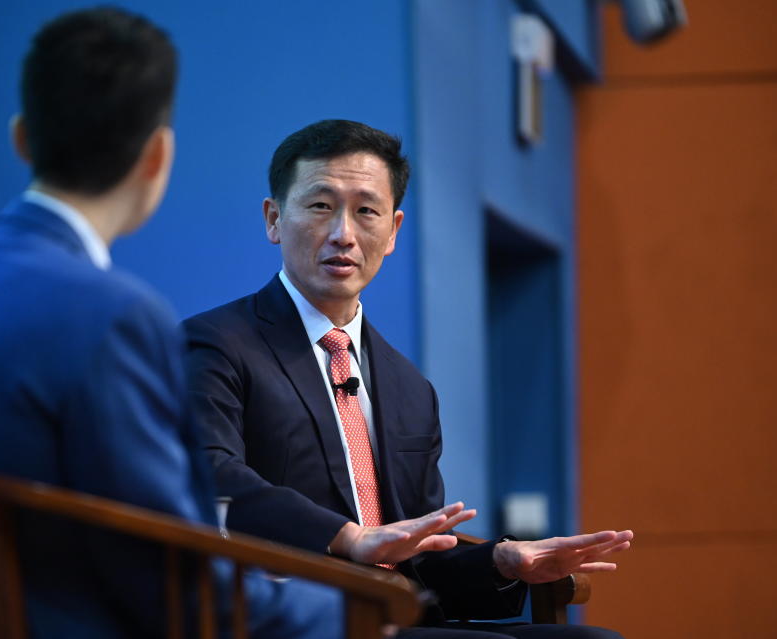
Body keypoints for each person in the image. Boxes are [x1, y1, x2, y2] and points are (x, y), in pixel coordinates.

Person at [0, 10, 344, 638]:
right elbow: (178, 588)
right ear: (157, 154)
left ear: (21, 139)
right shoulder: (113, 316)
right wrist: (347, 608)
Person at [184, 119, 633, 638]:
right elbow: (209, 474)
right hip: (293, 614)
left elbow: (419, 562)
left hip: (398, 615)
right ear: (274, 219)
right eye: (320, 205)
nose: (343, 234)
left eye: (366, 211)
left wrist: (503, 562)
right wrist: (348, 537)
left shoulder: (407, 386)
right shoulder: (217, 344)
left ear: (394, 231)